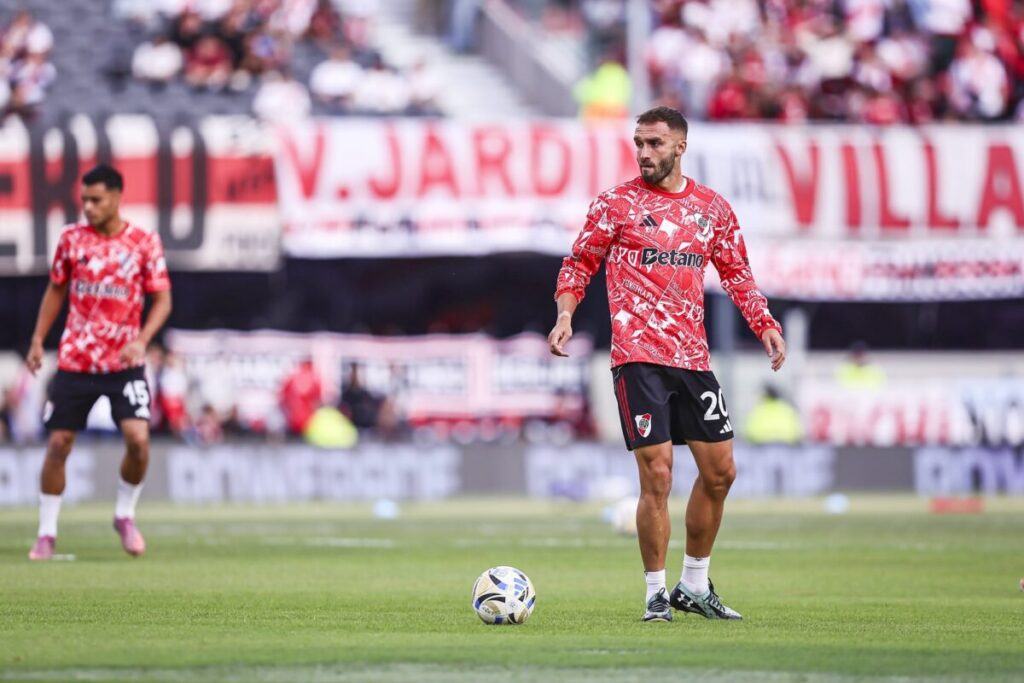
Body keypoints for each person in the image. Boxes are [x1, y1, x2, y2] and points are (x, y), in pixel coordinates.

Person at [548, 106, 785, 622]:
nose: (644, 152)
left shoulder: (712, 209)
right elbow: (579, 263)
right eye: (638, 143)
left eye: (654, 143)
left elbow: (737, 273)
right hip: (638, 357)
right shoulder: (615, 204)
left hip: (692, 358)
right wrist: (565, 315)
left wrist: (764, 323)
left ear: (680, 147)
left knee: (720, 473)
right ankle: (655, 592)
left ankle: (693, 585)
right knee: (658, 474)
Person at [25, 165, 172, 561]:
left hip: (125, 362)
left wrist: (142, 341)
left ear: (117, 197)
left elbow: (162, 299)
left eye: (96, 200)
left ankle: (124, 514)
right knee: (59, 443)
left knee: (138, 441)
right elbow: (56, 289)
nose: (88, 207)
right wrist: (38, 339)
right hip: (76, 359)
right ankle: (46, 533)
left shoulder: (143, 242)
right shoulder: (71, 239)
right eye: (85, 200)